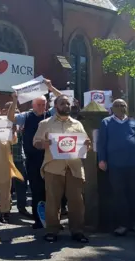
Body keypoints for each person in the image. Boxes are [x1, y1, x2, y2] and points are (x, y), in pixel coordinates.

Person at [33, 95, 90, 243]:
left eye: (67, 103)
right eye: (62, 103)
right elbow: (36, 142)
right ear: (56, 106)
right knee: (52, 201)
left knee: (77, 201)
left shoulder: (77, 124)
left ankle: (77, 231)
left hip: (74, 168)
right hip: (53, 167)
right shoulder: (45, 123)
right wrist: (43, 143)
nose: (66, 105)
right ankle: (52, 230)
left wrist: (87, 145)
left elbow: (85, 143)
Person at [9, 79, 62, 229]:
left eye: (44, 104)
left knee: (52, 191)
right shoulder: (25, 116)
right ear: (33, 105)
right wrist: (14, 101)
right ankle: (39, 220)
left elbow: (63, 100)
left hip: (51, 159)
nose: (42, 107)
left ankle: (54, 219)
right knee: (36, 190)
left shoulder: (51, 115)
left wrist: (51, 88)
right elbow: (11, 118)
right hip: (32, 160)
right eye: (39, 104)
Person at [98, 99, 135, 236]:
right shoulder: (106, 122)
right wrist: (102, 159)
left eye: (123, 105)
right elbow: (102, 142)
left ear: (126, 107)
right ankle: (122, 224)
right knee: (119, 195)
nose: (120, 107)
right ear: (112, 108)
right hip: (116, 165)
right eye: (117, 105)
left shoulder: (133, 122)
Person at [2, 101, 30, 217]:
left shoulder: (22, 124)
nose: (15, 112)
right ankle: (5, 210)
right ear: (4, 112)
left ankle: (22, 207)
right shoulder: (0, 124)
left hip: (19, 157)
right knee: (5, 185)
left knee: (21, 184)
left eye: (16, 110)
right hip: (4, 158)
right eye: (11, 110)